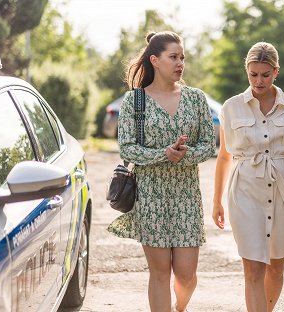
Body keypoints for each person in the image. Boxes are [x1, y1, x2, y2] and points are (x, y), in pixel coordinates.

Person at [108, 31, 216, 312]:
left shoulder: (196, 99)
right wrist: (163, 154)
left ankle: (180, 306)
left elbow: (209, 145)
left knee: (186, 274)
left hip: (186, 198)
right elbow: (127, 148)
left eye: (182, 58)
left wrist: (185, 153)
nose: (180, 63)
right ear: (155, 60)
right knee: (159, 274)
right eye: (173, 57)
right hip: (150, 198)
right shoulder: (136, 102)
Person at [212, 42, 284, 312]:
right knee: (253, 269)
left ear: (276, 72)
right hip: (244, 192)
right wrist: (216, 201)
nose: (258, 81)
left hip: (283, 194)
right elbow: (223, 156)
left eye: (265, 75)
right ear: (247, 71)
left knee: (276, 267)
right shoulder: (231, 108)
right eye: (253, 74)